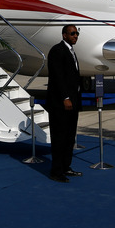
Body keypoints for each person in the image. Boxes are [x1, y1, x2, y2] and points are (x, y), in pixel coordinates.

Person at [45, 24, 83, 182]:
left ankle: (66, 167)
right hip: (61, 103)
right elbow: (57, 77)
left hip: (73, 103)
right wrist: (65, 97)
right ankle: (56, 172)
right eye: (72, 33)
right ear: (64, 35)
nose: (76, 36)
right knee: (59, 137)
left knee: (69, 137)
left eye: (77, 34)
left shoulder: (71, 51)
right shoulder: (57, 50)